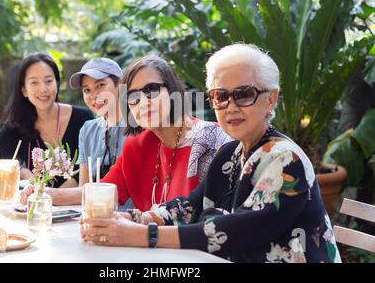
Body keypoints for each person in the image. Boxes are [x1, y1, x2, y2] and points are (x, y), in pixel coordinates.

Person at [80, 44, 341, 263]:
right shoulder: (231, 153)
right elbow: (191, 206)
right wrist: (132, 217)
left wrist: (141, 234)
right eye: (220, 96)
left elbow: (236, 231)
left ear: (270, 99)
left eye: (244, 94)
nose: (231, 106)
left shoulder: (285, 159)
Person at [20, 55, 230, 209]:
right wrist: (44, 193)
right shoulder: (135, 146)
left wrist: (137, 229)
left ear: (172, 90)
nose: (143, 102)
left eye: (152, 90)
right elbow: (101, 193)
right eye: (133, 95)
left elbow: (214, 222)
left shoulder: (211, 140)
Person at [0, 53, 93, 187]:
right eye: (34, 82)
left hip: (76, 205)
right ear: (24, 90)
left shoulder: (83, 118)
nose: (43, 89)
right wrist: (21, 170)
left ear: (57, 84)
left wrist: (54, 196)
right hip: (35, 205)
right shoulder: (17, 124)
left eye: (49, 81)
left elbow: (91, 170)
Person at [70, 58, 127, 185]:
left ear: (120, 84)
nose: (93, 95)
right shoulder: (87, 129)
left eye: (100, 85)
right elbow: (83, 190)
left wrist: (50, 194)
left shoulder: (139, 126)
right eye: (87, 90)